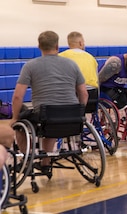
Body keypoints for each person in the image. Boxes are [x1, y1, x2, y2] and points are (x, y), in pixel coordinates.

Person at [10, 31, 88, 171]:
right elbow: (83, 93)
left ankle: (29, 160)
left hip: (46, 116)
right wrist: (80, 113)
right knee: (50, 120)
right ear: (57, 46)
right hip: (72, 116)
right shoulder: (72, 65)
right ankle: (45, 163)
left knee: (21, 123)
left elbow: (17, 97)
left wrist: (15, 118)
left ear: (39, 46)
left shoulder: (30, 65)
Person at [59, 31, 99, 111]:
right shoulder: (91, 57)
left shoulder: (61, 56)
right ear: (81, 43)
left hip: (70, 95)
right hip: (91, 95)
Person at [99, 44, 127, 109]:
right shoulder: (115, 63)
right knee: (122, 101)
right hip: (105, 89)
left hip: (119, 89)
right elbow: (99, 79)